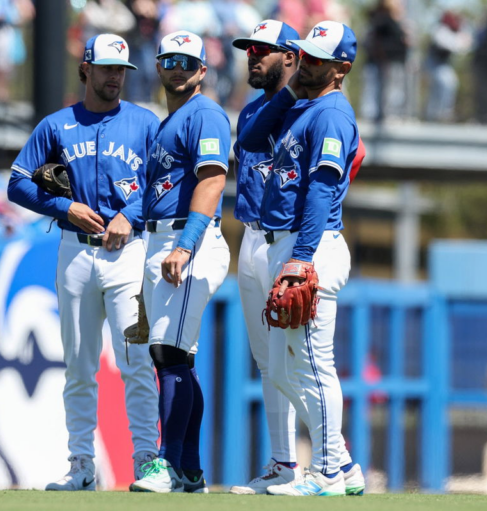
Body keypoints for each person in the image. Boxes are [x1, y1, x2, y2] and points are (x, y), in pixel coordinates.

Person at [7, 34, 160, 490]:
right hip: (75, 253)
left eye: (122, 70)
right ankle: (80, 465)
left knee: (135, 360)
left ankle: (147, 461)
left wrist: (129, 217)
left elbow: (162, 185)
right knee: (78, 364)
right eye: (107, 68)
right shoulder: (56, 126)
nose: (115, 77)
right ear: (85, 69)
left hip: (130, 255)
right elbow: (16, 183)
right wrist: (63, 207)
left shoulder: (145, 123)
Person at [238, 20, 365, 496]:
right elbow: (251, 140)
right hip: (285, 243)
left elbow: (322, 191)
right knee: (286, 369)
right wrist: (291, 89)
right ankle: (344, 465)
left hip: (310, 245)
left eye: (317, 58)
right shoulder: (301, 105)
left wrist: (302, 259)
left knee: (312, 364)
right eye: (304, 54)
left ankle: (329, 471)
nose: (306, 62)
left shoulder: (332, 113)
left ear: (341, 69)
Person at [129, 30, 230, 494]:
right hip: (162, 238)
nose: (177, 69)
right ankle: (188, 469)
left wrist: (186, 244)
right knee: (178, 358)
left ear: (203, 71)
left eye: (187, 62)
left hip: (188, 239)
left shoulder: (204, 113)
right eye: (170, 60)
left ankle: (168, 465)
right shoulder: (170, 119)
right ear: (158, 65)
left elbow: (211, 179)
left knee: (168, 356)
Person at [228, 19, 304, 495]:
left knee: (295, 359)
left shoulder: (312, 112)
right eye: (249, 49)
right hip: (251, 239)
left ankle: (332, 461)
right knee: (267, 363)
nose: (253, 56)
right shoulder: (251, 113)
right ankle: (283, 463)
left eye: (263, 49)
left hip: (290, 241)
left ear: (291, 57)